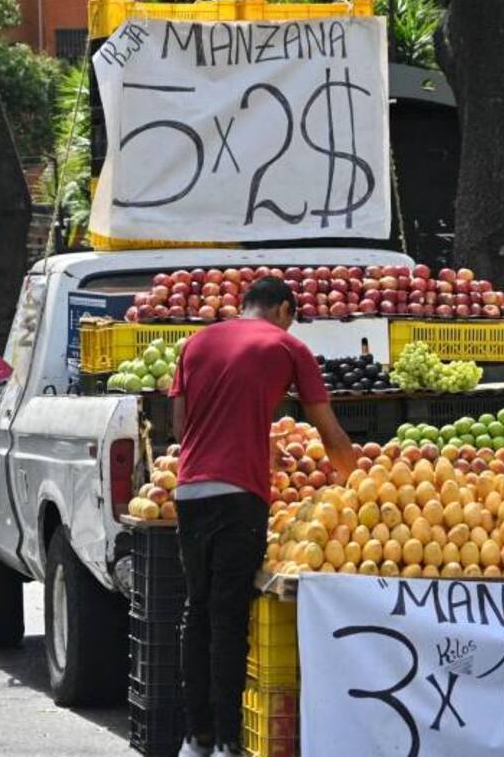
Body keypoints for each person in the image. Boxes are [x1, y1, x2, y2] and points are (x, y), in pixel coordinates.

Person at [171, 276, 355, 757]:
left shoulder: (195, 342)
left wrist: (258, 442)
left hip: (190, 490)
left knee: (197, 609)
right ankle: (229, 742)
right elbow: (329, 432)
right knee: (228, 613)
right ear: (283, 310)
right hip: (239, 496)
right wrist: (357, 484)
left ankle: (195, 738)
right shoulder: (288, 345)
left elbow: (182, 425)